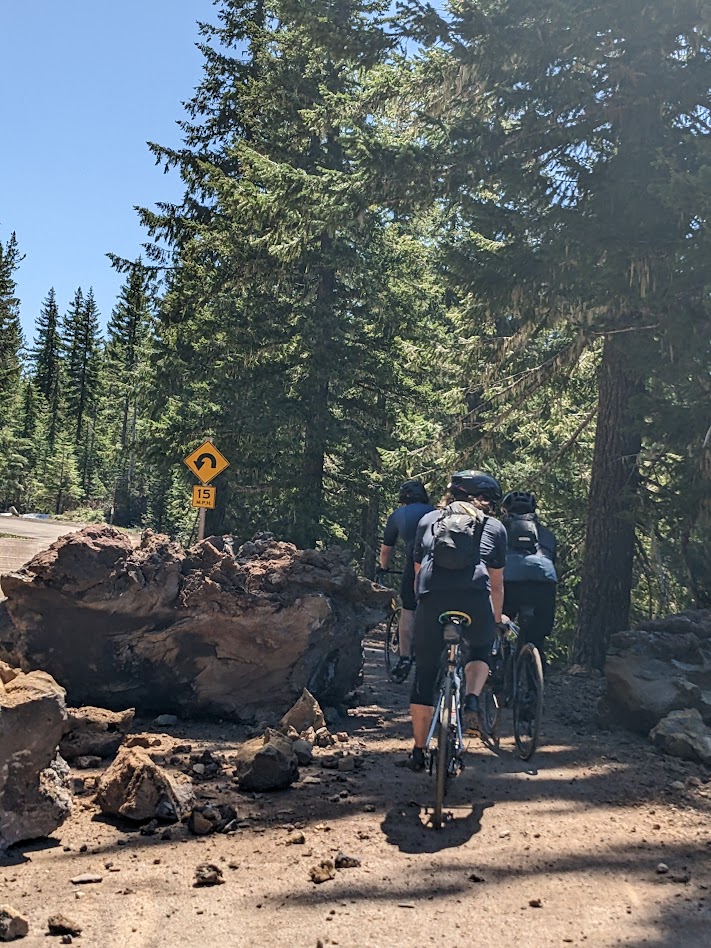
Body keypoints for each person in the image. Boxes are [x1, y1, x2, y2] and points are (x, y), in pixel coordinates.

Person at [401, 469, 508, 771]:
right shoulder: (495, 527)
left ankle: (419, 752)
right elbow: (497, 584)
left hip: (433, 597)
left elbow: (419, 572)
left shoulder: (429, 521)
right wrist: (496, 619)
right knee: (479, 649)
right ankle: (472, 700)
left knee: (424, 672)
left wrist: (423, 603)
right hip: (474, 598)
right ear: (484, 500)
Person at [378, 479, 434, 682]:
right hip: (438, 563)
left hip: (414, 563)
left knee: (408, 609)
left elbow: (386, 550)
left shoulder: (397, 516)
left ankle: (404, 659)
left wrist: (383, 568)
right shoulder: (435, 511)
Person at [501, 490, 557, 666]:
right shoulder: (546, 534)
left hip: (508, 582)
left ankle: (499, 665)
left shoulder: (499, 530)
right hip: (543, 584)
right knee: (537, 638)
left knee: (498, 623)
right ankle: (535, 684)